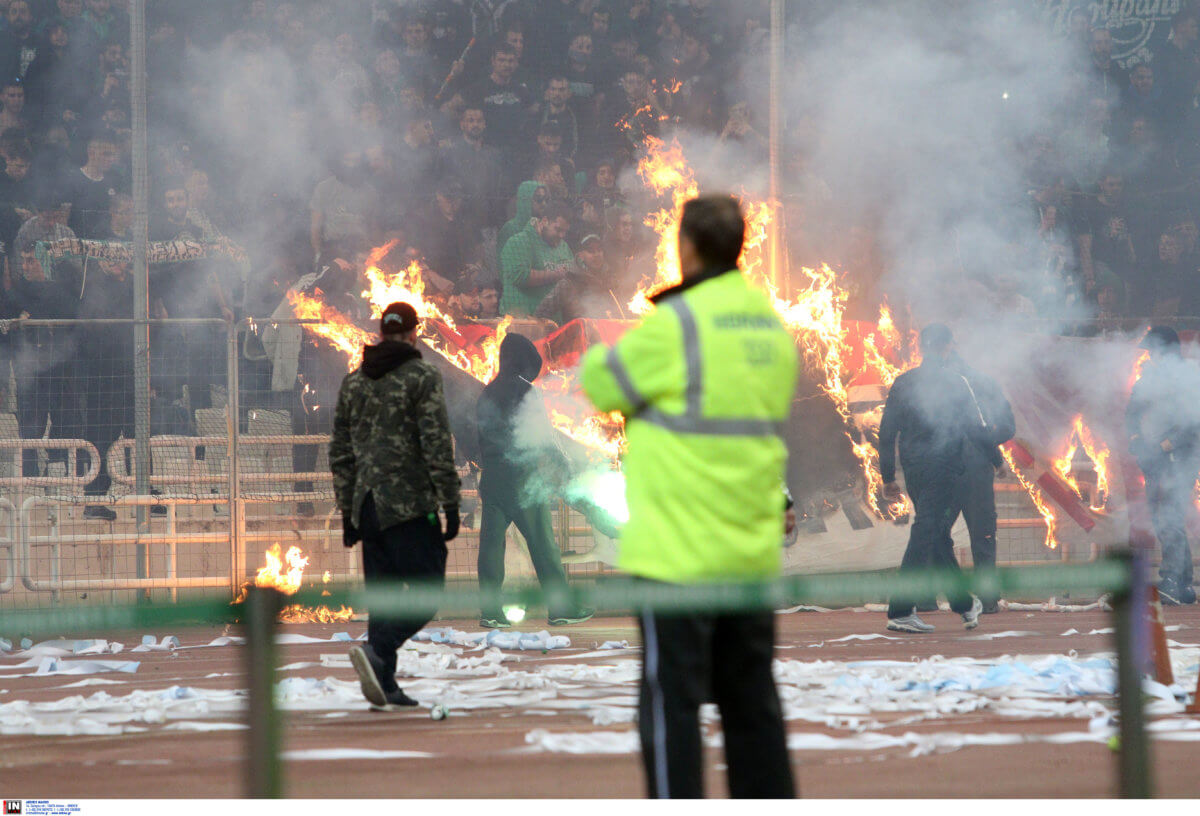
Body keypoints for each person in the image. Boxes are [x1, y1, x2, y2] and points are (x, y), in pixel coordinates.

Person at [580, 195, 798, 798]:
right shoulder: (769, 326)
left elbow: (600, 382)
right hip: (749, 558)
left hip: (677, 557)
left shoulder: (677, 323)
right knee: (753, 709)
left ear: (687, 247)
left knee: (671, 708)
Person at [332, 302, 462, 708]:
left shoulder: (353, 382)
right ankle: (379, 651)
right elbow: (436, 441)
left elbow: (340, 453)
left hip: (368, 507)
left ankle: (384, 683)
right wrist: (450, 501)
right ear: (413, 332)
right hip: (409, 505)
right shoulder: (421, 375)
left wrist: (348, 513)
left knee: (385, 597)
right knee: (427, 591)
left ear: (381, 331)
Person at [475, 332, 594, 628]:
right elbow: (542, 437)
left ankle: (490, 613)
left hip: (492, 479)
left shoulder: (487, 392)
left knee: (490, 547)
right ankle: (561, 608)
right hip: (524, 481)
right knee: (543, 546)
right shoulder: (527, 392)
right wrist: (563, 461)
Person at [877, 324, 985, 633]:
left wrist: (887, 476)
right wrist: (996, 459)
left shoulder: (903, 382)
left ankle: (964, 604)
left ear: (921, 346)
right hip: (944, 469)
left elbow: (887, 433)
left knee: (936, 534)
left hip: (914, 471)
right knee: (926, 531)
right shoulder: (956, 382)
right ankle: (900, 609)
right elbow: (976, 427)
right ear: (948, 345)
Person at [1127, 326, 1200, 605]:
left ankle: (1172, 577)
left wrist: (1162, 446)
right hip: (1154, 457)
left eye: (1153, 349)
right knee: (1163, 517)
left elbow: (1193, 422)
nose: (1149, 354)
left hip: (1181, 457)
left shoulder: (1190, 377)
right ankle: (1182, 584)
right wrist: (1136, 439)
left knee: (1171, 516)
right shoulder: (1149, 378)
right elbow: (1132, 411)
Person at [947, 351, 1014, 614]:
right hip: (975, 471)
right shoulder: (981, 384)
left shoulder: (936, 389)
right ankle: (987, 599)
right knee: (983, 536)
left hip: (945, 471)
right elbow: (996, 429)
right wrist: (996, 458)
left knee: (935, 534)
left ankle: (942, 596)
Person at [499, 198, 572, 319]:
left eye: (565, 231)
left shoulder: (563, 247)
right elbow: (519, 276)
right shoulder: (519, 241)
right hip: (522, 323)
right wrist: (555, 275)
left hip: (553, 324)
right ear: (544, 221)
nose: (561, 235)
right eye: (558, 229)